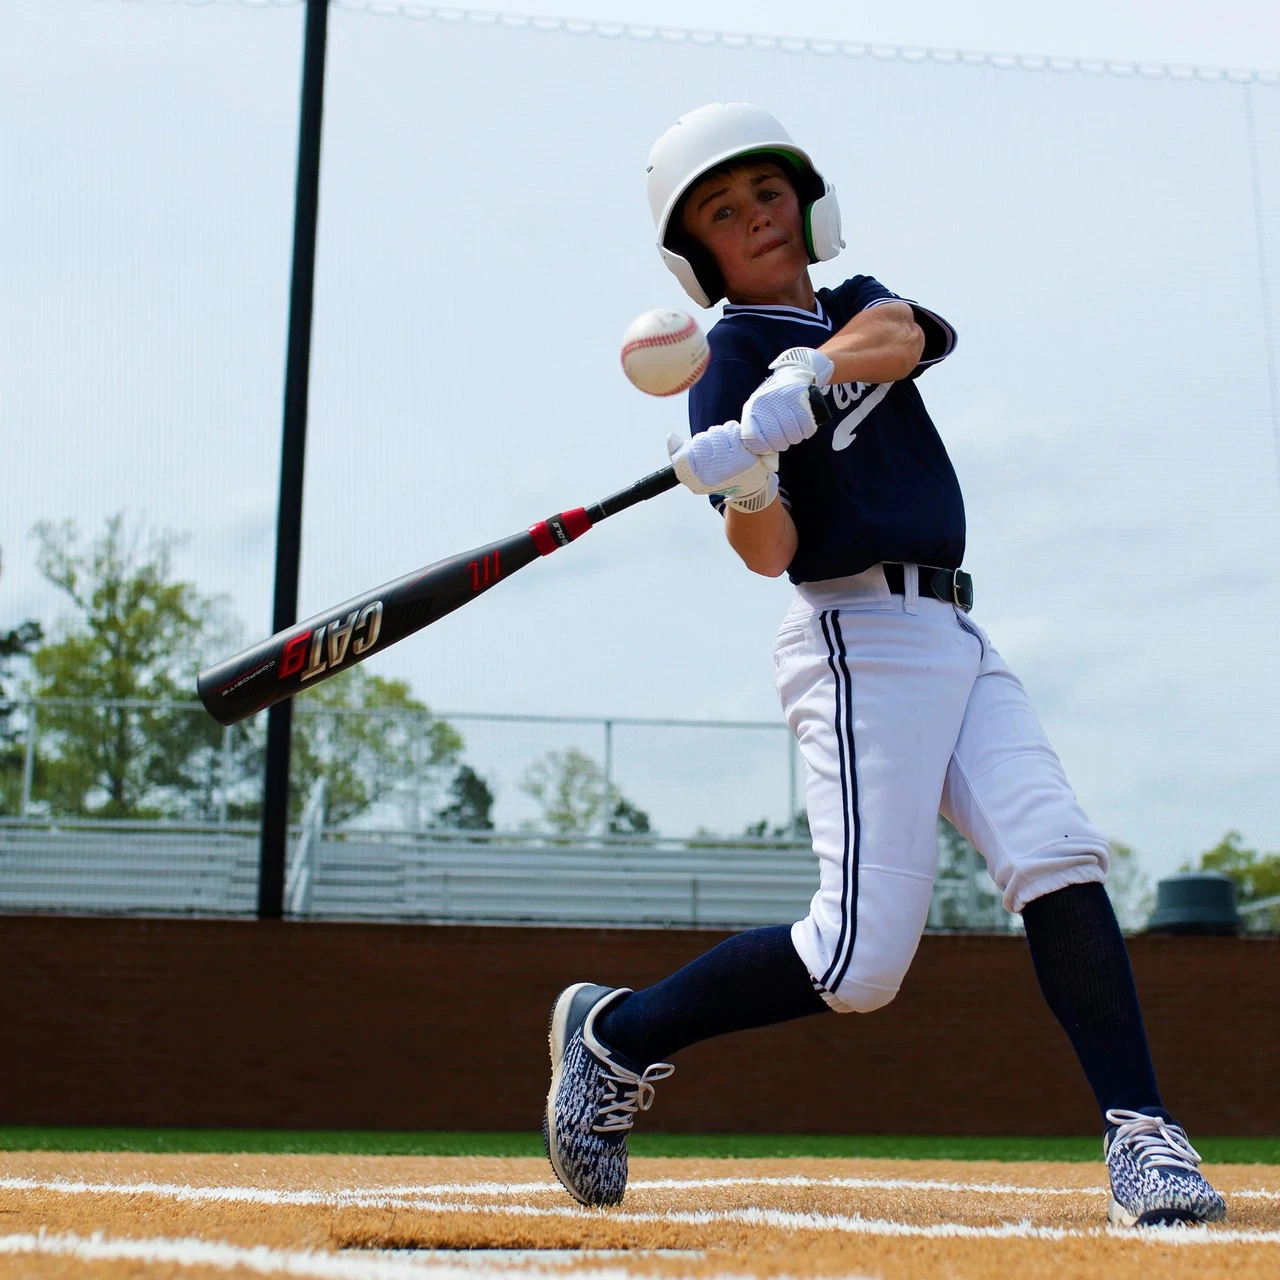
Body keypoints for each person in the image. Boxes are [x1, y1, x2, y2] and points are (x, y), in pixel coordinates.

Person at [542, 102, 1225, 1229]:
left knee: (1057, 854)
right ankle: (617, 1037)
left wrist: (799, 380)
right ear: (695, 249)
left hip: (954, 627)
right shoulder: (716, 363)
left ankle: (1140, 1132)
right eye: (723, 209)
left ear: (805, 205)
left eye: (766, 193)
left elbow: (902, 336)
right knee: (856, 961)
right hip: (854, 639)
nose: (753, 216)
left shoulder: (853, 306)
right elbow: (770, 558)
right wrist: (747, 476)